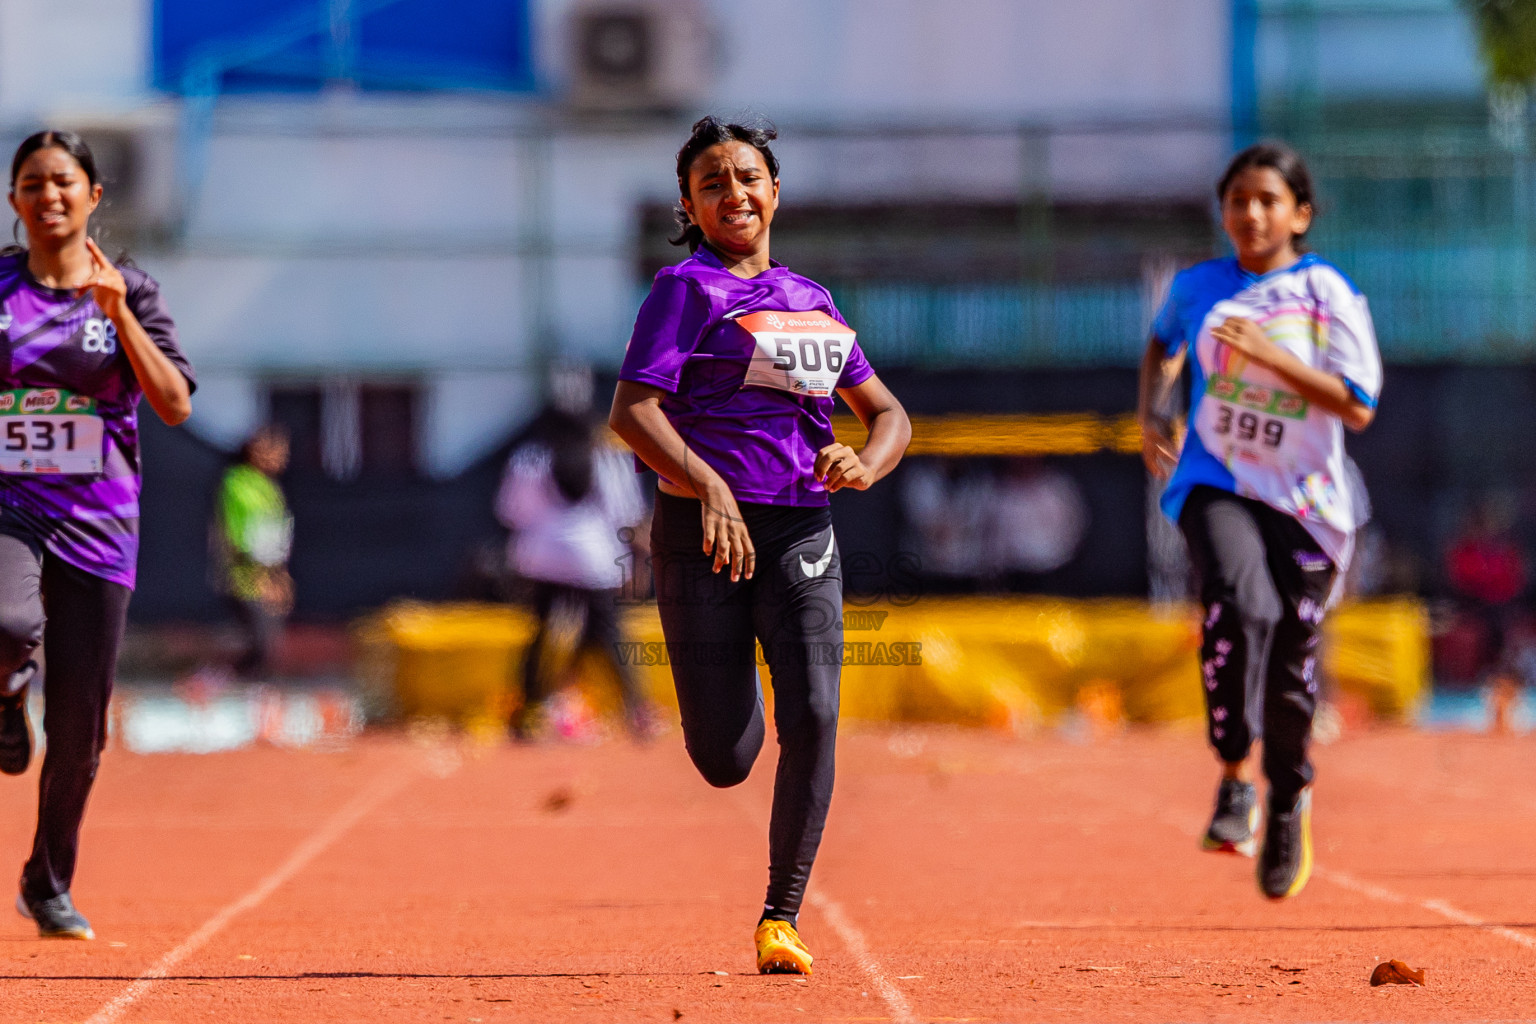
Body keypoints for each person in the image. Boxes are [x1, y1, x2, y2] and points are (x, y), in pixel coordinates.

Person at [609, 115, 910, 974]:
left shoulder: (810, 301)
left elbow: (889, 414)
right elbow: (630, 412)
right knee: (725, 758)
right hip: (701, 534)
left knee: (814, 712)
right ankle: (716, 704)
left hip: (801, 527)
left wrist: (865, 459)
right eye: (712, 183)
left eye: (747, 177)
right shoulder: (683, 290)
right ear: (690, 206)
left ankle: (781, 915)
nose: (733, 193)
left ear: (775, 190)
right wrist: (707, 485)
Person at [1137, 142, 1381, 900]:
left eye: (1268, 200)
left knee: (1290, 657)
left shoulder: (1326, 293)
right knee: (1240, 610)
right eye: (1238, 199)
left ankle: (1288, 797)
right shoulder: (1199, 287)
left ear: (1299, 213)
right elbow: (1162, 346)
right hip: (1218, 479)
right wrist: (1154, 409)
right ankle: (1235, 773)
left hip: (1305, 499)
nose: (1250, 213)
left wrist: (1273, 359)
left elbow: (1358, 405)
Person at [0, 131, 195, 938]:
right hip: (9, 500)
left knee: (82, 724)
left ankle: (47, 883)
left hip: (98, 517)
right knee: (7, 624)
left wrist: (118, 318)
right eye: (32, 183)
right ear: (14, 201)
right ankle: (8, 694)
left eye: (64, 182)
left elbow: (176, 403)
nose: (49, 196)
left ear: (93, 195)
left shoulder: (132, 291)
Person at [496, 396, 657, 740]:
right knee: (609, 637)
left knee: (540, 637)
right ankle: (637, 712)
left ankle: (525, 714)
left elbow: (511, 512)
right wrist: (638, 563)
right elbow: (626, 515)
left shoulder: (528, 459)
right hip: (594, 562)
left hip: (539, 560)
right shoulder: (608, 460)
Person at [214, 425, 294, 680]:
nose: (283, 456)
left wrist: (280, 577)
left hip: (267, 577)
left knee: (268, 645)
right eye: (277, 449)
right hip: (245, 579)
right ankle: (214, 681)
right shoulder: (237, 483)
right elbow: (240, 536)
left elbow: (276, 536)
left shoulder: (269, 488)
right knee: (257, 643)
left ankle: (248, 694)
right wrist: (263, 576)